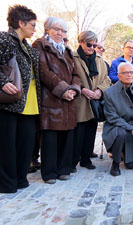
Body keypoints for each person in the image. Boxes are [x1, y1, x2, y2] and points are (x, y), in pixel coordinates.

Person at [33, 17, 81, 184]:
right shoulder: (39, 45)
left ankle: (64, 169)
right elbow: (43, 71)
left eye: (63, 30)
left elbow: (76, 74)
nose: (60, 33)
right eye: (56, 29)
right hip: (51, 99)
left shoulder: (67, 50)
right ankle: (49, 173)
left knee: (67, 137)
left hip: (69, 101)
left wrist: (74, 90)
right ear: (47, 29)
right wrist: (63, 90)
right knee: (50, 139)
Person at [0, 5, 40, 193]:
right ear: (20, 23)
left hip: (29, 104)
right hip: (9, 103)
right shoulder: (4, 39)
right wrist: (2, 82)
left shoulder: (27, 46)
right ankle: (7, 184)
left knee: (25, 145)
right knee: (7, 146)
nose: (34, 28)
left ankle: (20, 179)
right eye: (32, 24)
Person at [72, 31, 111, 171]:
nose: (92, 47)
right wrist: (82, 89)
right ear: (81, 42)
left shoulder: (100, 60)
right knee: (78, 133)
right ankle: (73, 161)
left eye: (94, 45)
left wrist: (100, 90)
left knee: (91, 132)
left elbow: (107, 79)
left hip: (95, 102)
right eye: (89, 44)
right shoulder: (72, 57)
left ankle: (86, 159)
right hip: (80, 101)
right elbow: (69, 77)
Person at [103, 62, 133, 176]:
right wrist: (131, 129)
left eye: (131, 72)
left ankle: (124, 152)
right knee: (121, 133)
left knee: (131, 165)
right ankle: (115, 163)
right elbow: (112, 117)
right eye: (125, 73)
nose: (129, 75)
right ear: (118, 75)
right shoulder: (109, 93)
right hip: (116, 126)